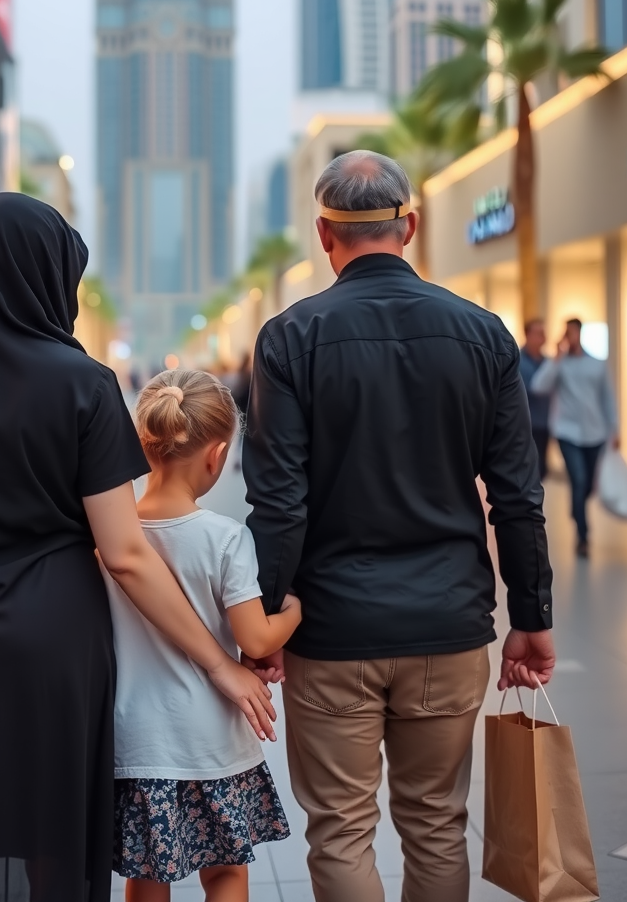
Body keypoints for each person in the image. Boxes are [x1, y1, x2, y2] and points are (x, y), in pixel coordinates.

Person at [0, 194, 276, 902]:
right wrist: (218, 666)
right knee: (46, 822)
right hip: (47, 650)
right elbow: (124, 552)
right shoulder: (81, 383)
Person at [243, 150, 554, 902]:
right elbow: (516, 492)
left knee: (342, 829)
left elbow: (279, 502)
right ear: (409, 226)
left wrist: (265, 620)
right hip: (447, 627)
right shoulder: (483, 335)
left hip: (329, 631)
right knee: (437, 824)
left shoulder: (289, 339)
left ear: (325, 233)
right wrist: (532, 615)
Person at [107, 369, 297, 901]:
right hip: (210, 739)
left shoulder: (108, 541)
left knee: (147, 877)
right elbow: (256, 641)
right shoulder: (225, 539)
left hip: (137, 740)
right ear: (216, 456)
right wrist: (296, 612)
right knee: (225, 872)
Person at [532, 318, 619, 558]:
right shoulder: (558, 364)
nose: (568, 337)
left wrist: (615, 429)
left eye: (572, 333)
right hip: (566, 432)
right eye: (566, 333)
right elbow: (539, 386)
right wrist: (557, 359)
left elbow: (607, 398)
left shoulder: (597, 365)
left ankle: (576, 507)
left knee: (588, 484)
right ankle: (583, 536)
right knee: (578, 480)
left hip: (595, 433)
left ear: (579, 334)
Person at [518, 318, 551, 479]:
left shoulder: (548, 362)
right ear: (527, 335)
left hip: (545, 423)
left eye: (544, 334)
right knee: (530, 470)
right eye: (538, 333)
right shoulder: (517, 360)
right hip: (525, 424)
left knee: (542, 469)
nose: (542, 338)